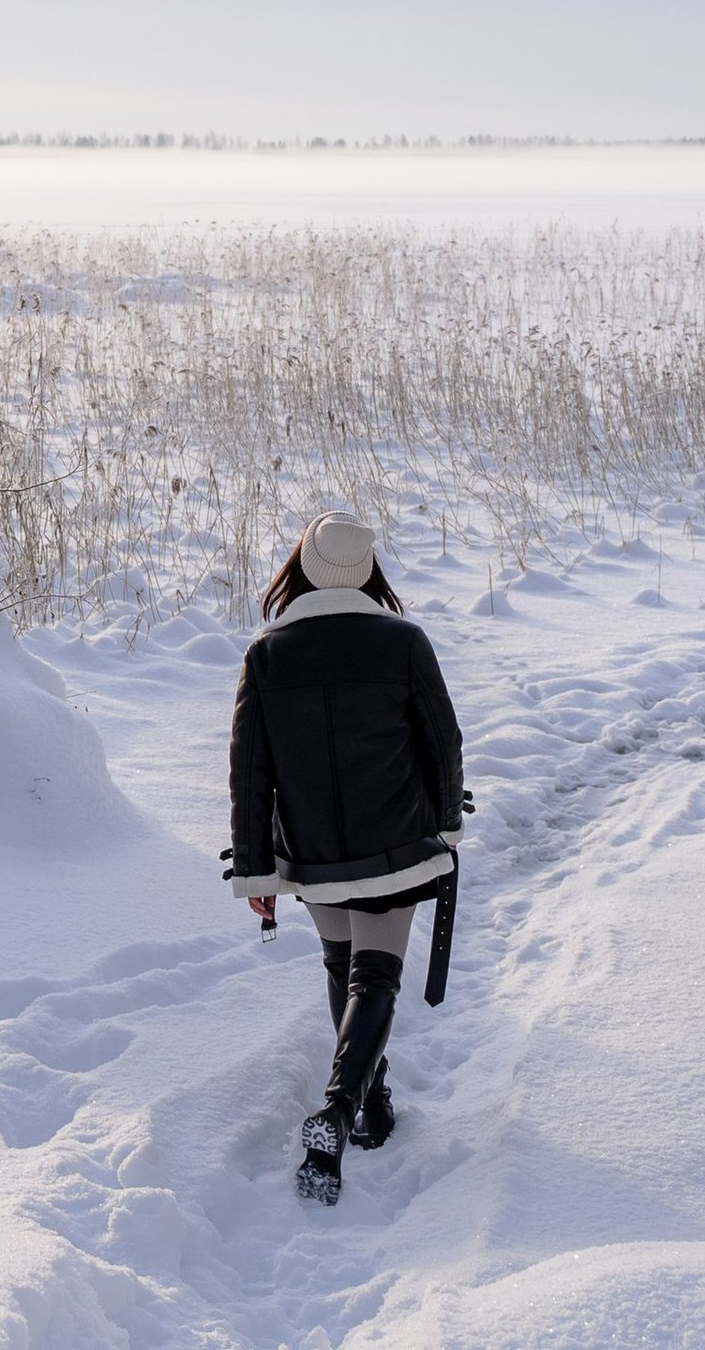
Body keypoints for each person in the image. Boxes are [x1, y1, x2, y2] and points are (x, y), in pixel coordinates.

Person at [225, 511, 465, 1206]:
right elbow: (442, 742)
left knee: (343, 968)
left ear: (300, 566)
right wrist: (446, 828)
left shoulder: (268, 654)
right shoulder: (403, 642)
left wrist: (256, 869)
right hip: (393, 844)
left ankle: (371, 1101)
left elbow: (250, 772)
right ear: (367, 573)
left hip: (316, 854)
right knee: (376, 979)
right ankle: (339, 1108)